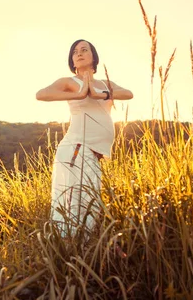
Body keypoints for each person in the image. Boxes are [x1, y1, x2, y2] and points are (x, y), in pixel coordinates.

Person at [36, 39, 133, 236]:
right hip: (76, 148)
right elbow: (41, 94)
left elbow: (128, 93)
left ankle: (83, 250)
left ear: (94, 57)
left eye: (84, 50)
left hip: (93, 153)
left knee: (91, 203)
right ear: (72, 60)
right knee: (74, 204)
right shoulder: (69, 82)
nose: (79, 53)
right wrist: (80, 93)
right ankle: (69, 251)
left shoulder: (105, 84)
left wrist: (100, 94)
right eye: (75, 52)